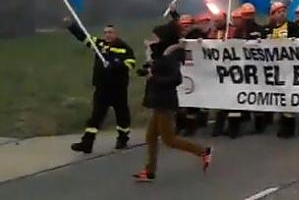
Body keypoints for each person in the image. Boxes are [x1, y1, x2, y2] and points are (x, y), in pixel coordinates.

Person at [133, 23, 212, 182]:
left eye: (155, 36)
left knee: (169, 139)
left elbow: (176, 79)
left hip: (165, 102)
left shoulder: (171, 54)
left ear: (163, 38)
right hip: (158, 100)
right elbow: (155, 67)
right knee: (151, 137)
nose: (152, 39)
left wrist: (153, 78)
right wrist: (148, 69)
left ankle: (203, 151)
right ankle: (150, 171)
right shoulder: (161, 53)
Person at [65, 19, 136, 153]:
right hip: (102, 88)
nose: (107, 35)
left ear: (116, 34)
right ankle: (87, 143)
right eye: (105, 33)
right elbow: (84, 37)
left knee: (122, 114)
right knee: (96, 115)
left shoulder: (124, 48)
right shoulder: (100, 45)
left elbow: (130, 64)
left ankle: (123, 138)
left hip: (118, 88)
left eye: (110, 32)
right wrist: (72, 26)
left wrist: (114, 65)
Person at [261, 2, 299, 138]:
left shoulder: (293, 27)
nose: (282, 13)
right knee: (277, 98)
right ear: (272, 15)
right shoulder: (267, 30)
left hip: (289, 69)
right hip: (272, 70)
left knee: (288, 99)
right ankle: (274, 122)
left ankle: (288, 127)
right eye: (278, 11)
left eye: (283, 11)